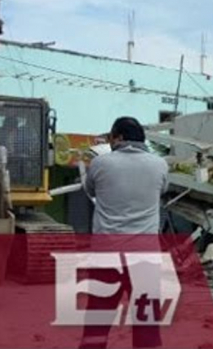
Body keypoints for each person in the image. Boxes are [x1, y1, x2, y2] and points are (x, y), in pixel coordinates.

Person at [81, 117, 168, 349]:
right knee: (147, 322)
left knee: (98, 317)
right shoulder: (159, 164)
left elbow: (90, 189)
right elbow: (163, 189)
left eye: (111, 138)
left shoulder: (101, 163)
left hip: (107, 254)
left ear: (118, 137)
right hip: (146, 257)